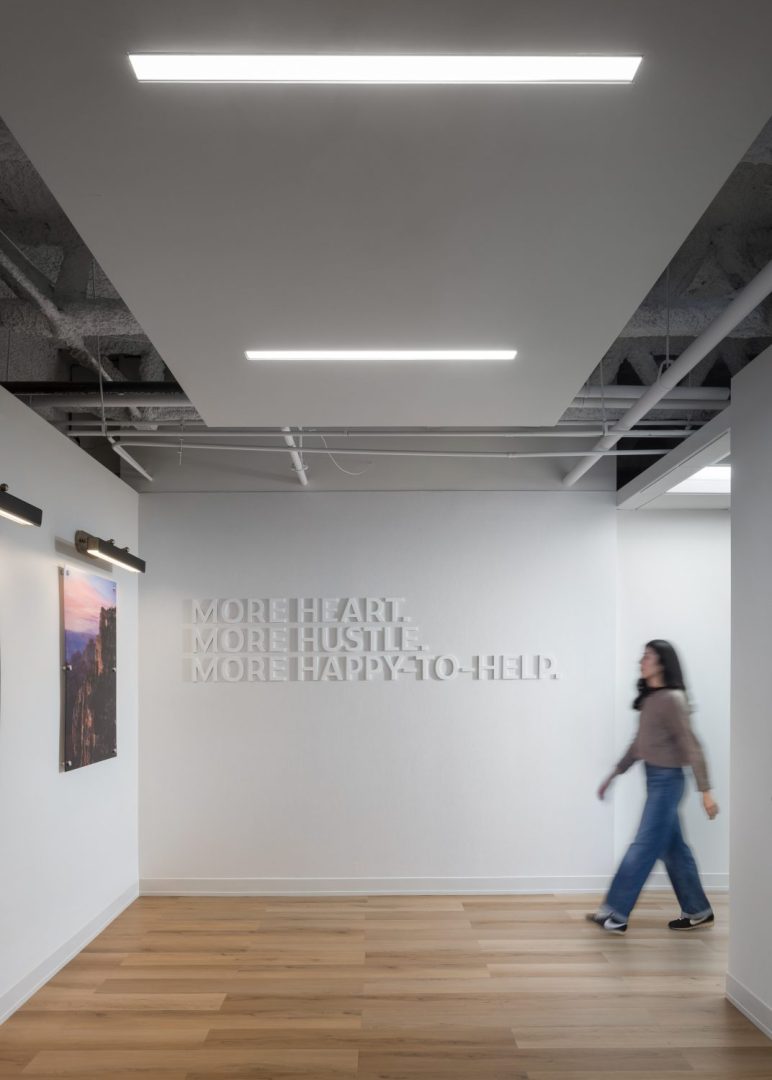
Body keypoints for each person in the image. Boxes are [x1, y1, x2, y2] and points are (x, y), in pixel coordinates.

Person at [587, 639, 719, 935]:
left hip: (668, 783)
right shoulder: (651, 699)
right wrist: (614, 774)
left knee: (644, 845)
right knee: (674, 851)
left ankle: (615, 913)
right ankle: (698, 910)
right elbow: (639, 745)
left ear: (662, 663)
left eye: (647, 657)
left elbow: (692, 746)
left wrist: (706, 792)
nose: (641, 662)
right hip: (655, 780)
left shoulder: (673, 699)